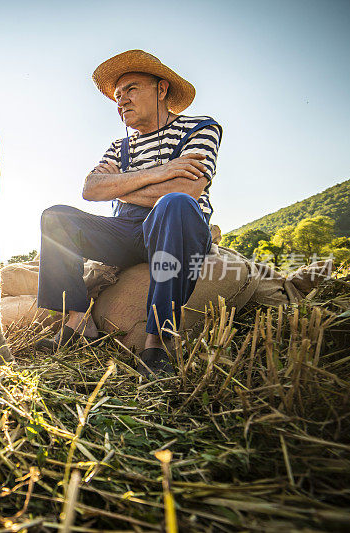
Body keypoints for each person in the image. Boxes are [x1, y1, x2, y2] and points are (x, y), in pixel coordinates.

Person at [35, 49, 222, 377]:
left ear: (161, 90)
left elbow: (187, 190)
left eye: (132, 89)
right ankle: (77, 321)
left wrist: (121, 185)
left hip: (175, 225)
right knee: (56, 217)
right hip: (124, 229)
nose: (121, 101)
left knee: (173, 204)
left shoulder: (200, 127)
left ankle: (158, 342)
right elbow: (91, 188)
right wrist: (159, 172)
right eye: (118, 96)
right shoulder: (119, 147)